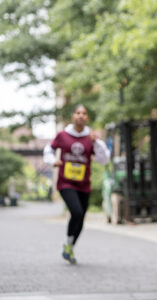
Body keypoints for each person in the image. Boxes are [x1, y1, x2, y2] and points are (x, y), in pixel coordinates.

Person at [43, 104, 110, 264]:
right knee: (76, 212)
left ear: (87, 118)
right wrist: (53, 161)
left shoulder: (91, 137)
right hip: (66, 183)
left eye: (84, 113)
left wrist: (98, 142)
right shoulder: (63, 135)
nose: (80, 116)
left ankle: (69, 246)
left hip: (84, 184)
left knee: (80, 219)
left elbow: (104, 159)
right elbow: (48, 149)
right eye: (78, 113)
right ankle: (68, 244)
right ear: (73, 116)